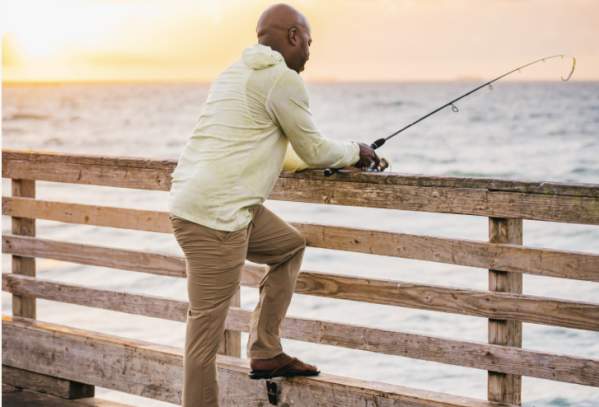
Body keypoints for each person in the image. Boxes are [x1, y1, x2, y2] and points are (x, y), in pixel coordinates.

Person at [168, 3, 380, 406]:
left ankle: (265, 351)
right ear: (294, 36)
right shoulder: (282, 80)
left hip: (209, 204)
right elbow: (315, 149)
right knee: (203, 342)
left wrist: (349, 157)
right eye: (309, 42)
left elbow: (281, 150)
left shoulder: (234, 74)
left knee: (288, 247)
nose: (310, 53)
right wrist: (358, 149)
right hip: (215, 219)